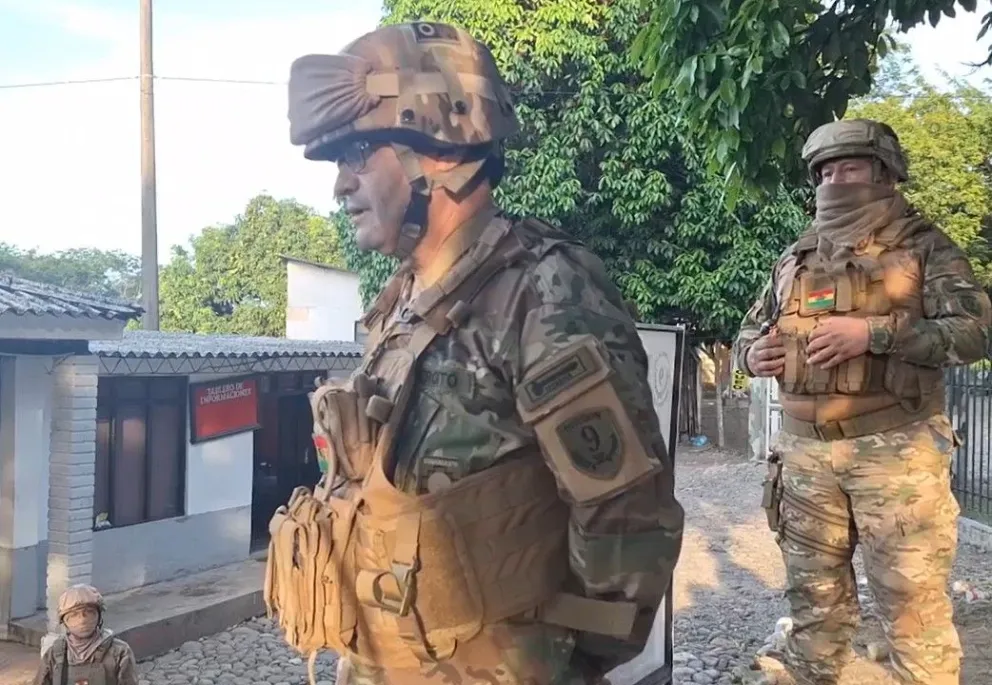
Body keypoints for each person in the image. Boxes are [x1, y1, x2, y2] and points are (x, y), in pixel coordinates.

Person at [264, 21, 685, 685]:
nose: (341, 184)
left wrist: (555, 661)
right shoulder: (401, 299)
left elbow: (626, 516)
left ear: (435, 146)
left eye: (359, 153)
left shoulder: (543, 291)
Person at [733, 118, 991, 685]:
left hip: (895, 453)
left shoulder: (926, 246)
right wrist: (752, 357)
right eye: (825, 170)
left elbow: (974, 332)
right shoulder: (796, 255)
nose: (835, 179)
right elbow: (749, 331)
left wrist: (875, 333)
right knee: (813, 599)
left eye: (849, 167)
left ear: (884, 173)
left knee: (911, 603)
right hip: (803, 457)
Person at [34, 584, 138, 685]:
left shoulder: (119, 652)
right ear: (65, 621)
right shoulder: (54, 654)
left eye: (89, 612)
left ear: (99, 616)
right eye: (74, 615)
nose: (83, 620)